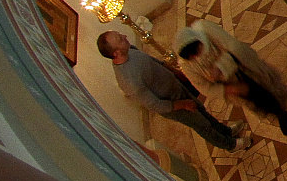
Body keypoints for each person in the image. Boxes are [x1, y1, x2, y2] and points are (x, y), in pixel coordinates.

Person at [99, 31, 248, 151]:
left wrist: (175, 73)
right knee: (202, 125)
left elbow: (153, 62)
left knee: (202, 111)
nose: (125, 36)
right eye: (120, 39)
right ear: (116, 53)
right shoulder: (129, 82)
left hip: (176, 87)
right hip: (174, 105)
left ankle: (226, 131)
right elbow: (155, 105)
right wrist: (182, 105)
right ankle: (231, 145)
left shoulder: (130, 50)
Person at [175, 20, 287, 136]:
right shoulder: (187, 66)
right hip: (233, 88)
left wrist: (221, 67)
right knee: (261, 103)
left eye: (197, 50)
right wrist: (231, 89)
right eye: (191, 57)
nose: (196, 57)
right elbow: (205, 88)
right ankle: (280, 114)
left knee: (273, 87)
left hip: (247, 68)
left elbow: (234, 47)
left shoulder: (205, 29)